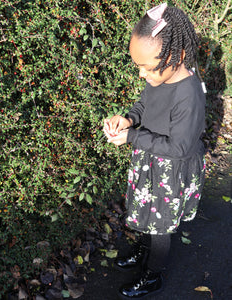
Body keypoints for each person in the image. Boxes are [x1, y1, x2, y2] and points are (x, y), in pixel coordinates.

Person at [103, 3, 206, 299]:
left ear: (178, 56)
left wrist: (133, 137)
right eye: (138, 66)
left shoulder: (189, 95)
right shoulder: (159, 75)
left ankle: (153, 274)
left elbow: (181, 147)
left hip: (171, 171)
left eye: (146, 67)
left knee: (160, 226)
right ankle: (144, 248)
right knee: (148, 213)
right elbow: (144, 104)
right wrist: (129, 119)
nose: (141, 74)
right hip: (152, 162)